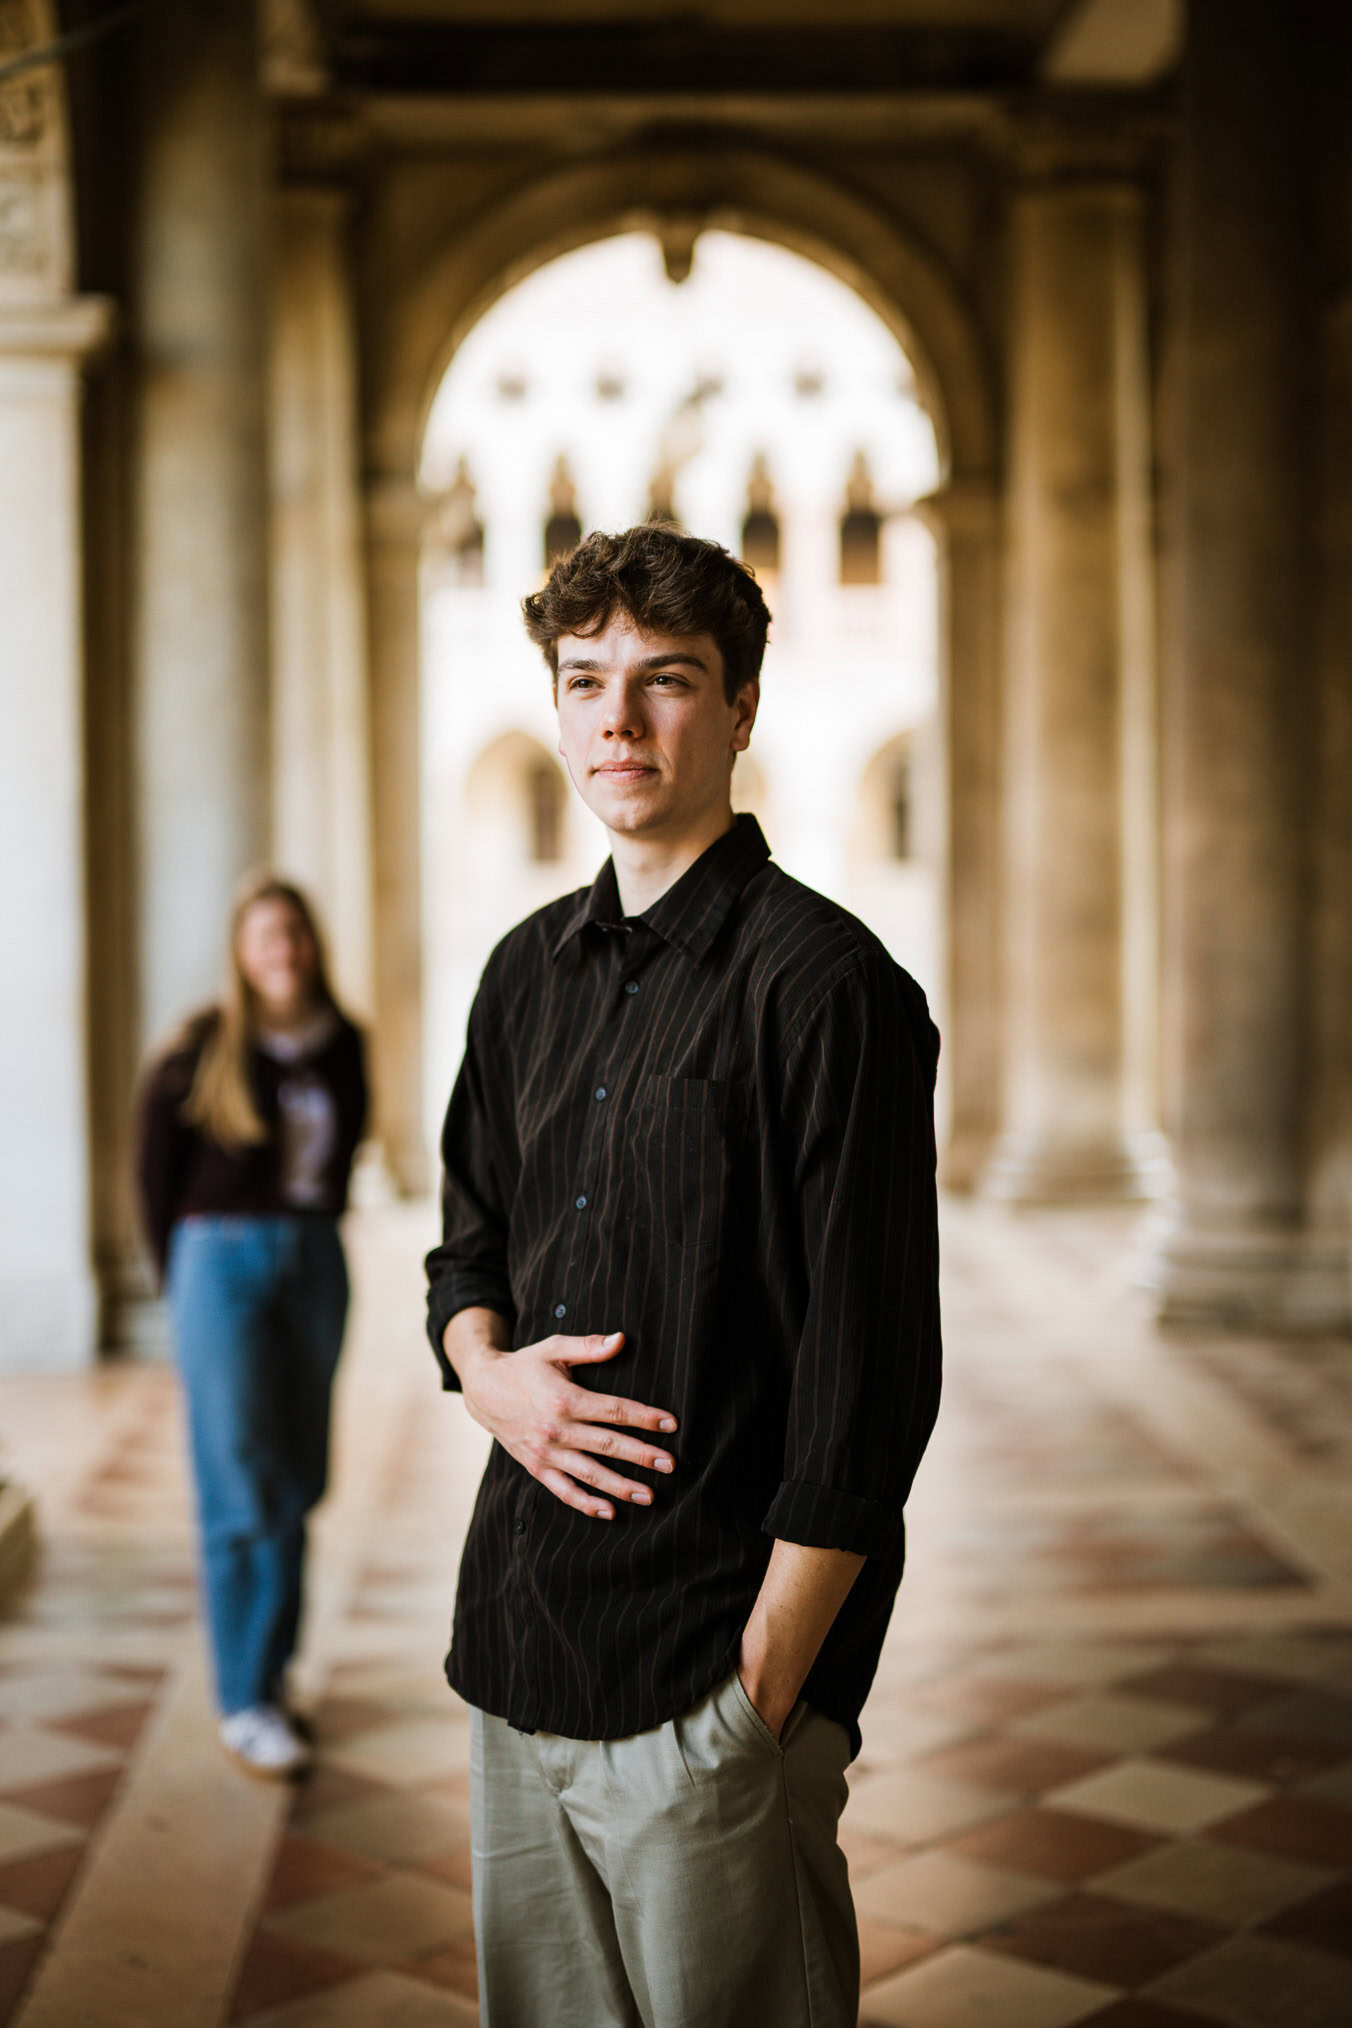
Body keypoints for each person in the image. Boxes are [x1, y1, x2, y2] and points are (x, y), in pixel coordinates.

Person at [425, 524, 941, 2028]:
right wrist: (485, 1373)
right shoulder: (521, 972)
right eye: (586, 681)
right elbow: (465, 1249)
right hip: (517, 1647)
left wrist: (756, 1699)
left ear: (740, 707)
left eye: (666, 680)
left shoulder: (830, 988)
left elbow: (869, 1379)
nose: (620, 720)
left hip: (706, 1682)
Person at [135, 873, 367, 1780]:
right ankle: (243, 1700)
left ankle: (271, 1673)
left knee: (300, 1476)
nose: (284, 951)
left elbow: (343, 1158)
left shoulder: (343, 1041)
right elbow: (153, 1172)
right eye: (266, 935)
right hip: (219, 1261)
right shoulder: (203, 1046)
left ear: (314, 945)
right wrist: (183, 1286)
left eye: (295, 934)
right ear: (241, 951)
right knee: (238, 1479)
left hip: (313, 1258)